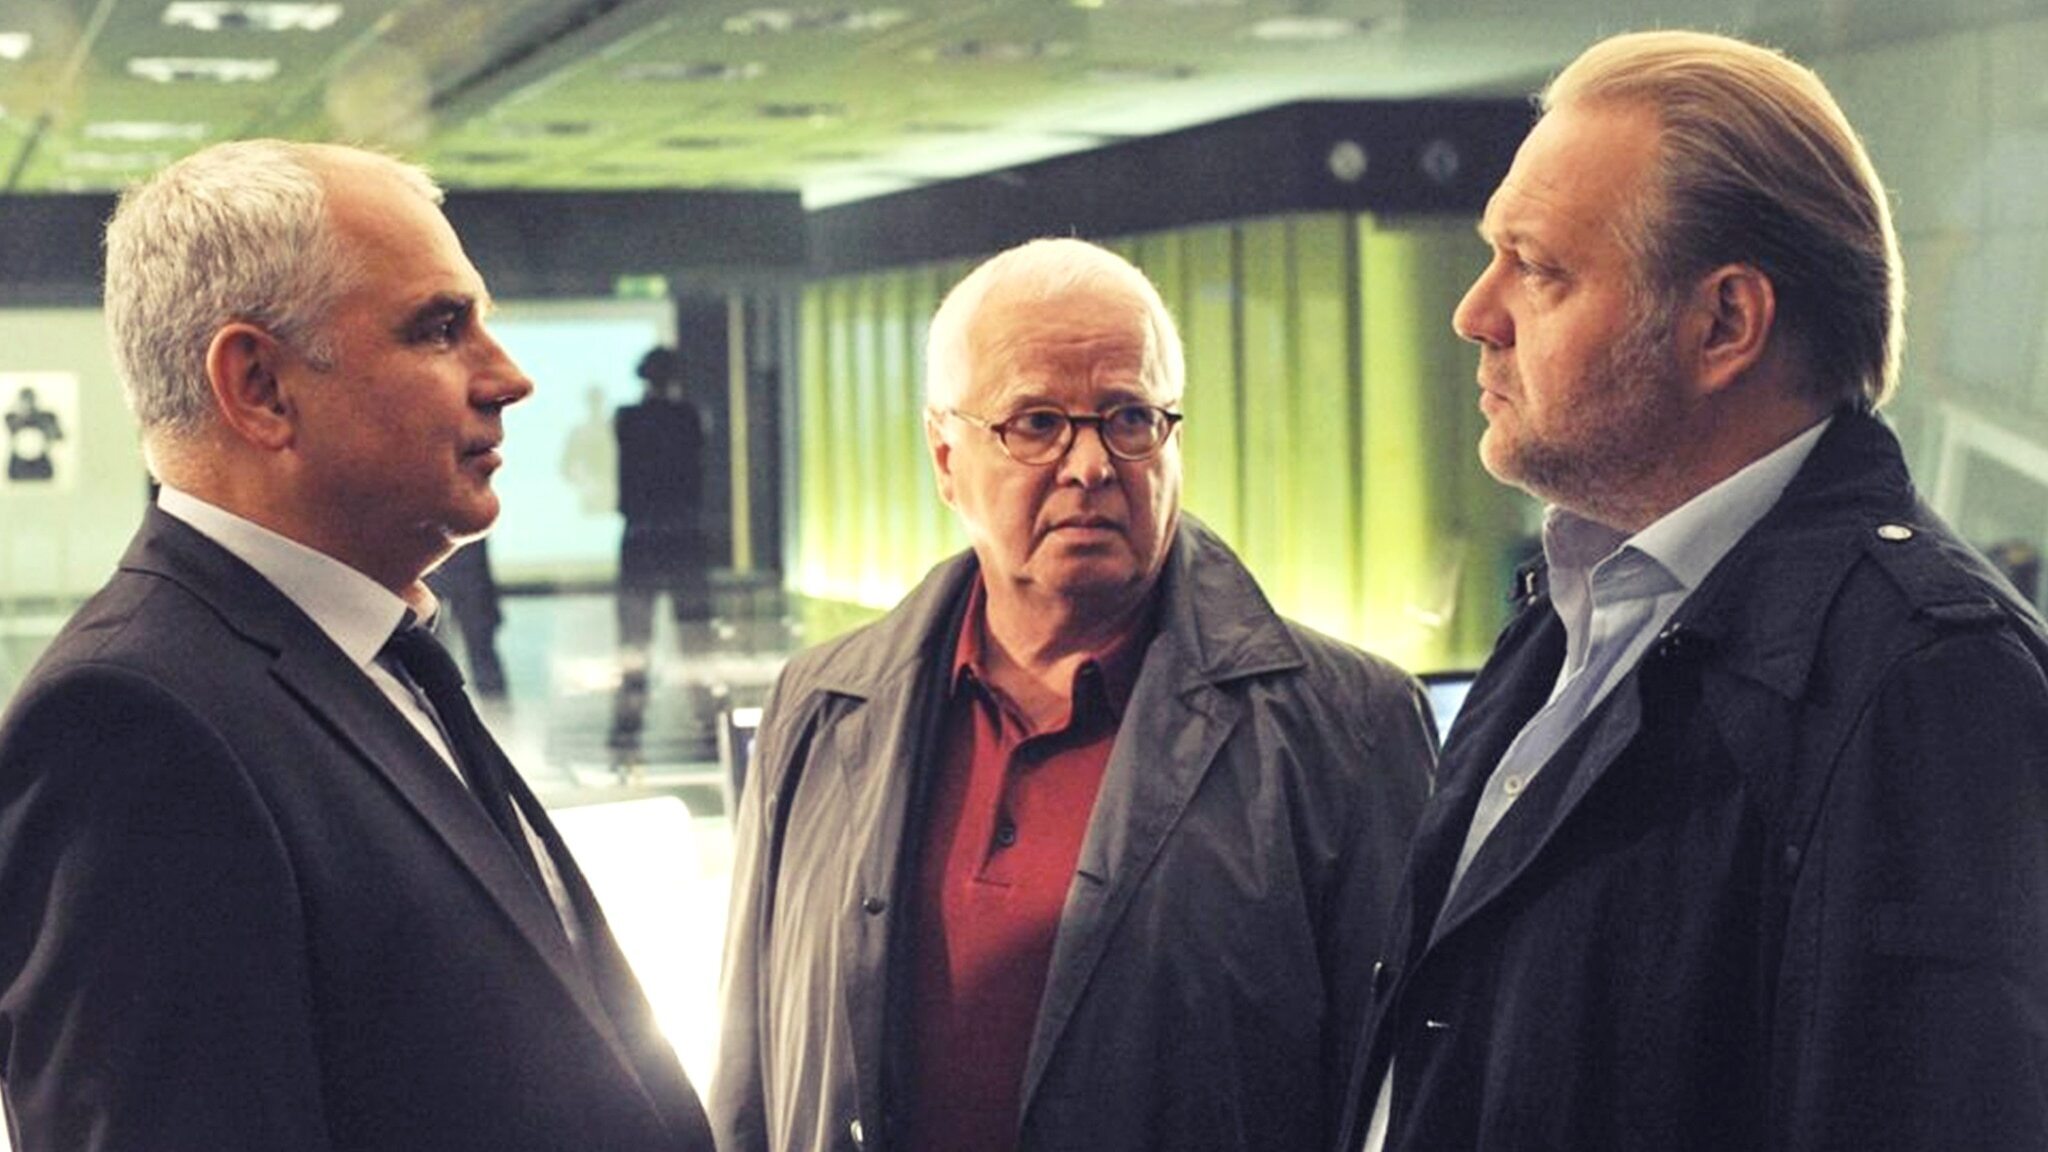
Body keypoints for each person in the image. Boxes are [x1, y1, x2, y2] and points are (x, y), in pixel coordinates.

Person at [1339, 30, 2048, 1152]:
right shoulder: (1567, 615)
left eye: (1538, 269)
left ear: (1723, 324)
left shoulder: (1929, 678)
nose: (1474, 313)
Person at [0, 140, 713, 1152]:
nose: (508, 378)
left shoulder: (367, 653)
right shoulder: (132, 726)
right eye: (440, 329)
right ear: (259, 386)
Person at [714, 237, 1435, 1152]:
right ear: (944, 456)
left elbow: (1407, 1099)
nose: (1090, 465)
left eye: (1130, 418)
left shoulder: (1348, 728)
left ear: (1173, 441)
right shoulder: (821, 704)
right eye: (1037, 423)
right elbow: (749, 1077)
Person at [610, 346, 712, 759]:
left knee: (635, 636)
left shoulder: (628, 418)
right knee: (694, 633)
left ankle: (628, 724)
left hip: (641, 534)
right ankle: (705, 720)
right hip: (683, 533)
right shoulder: (688, 418)